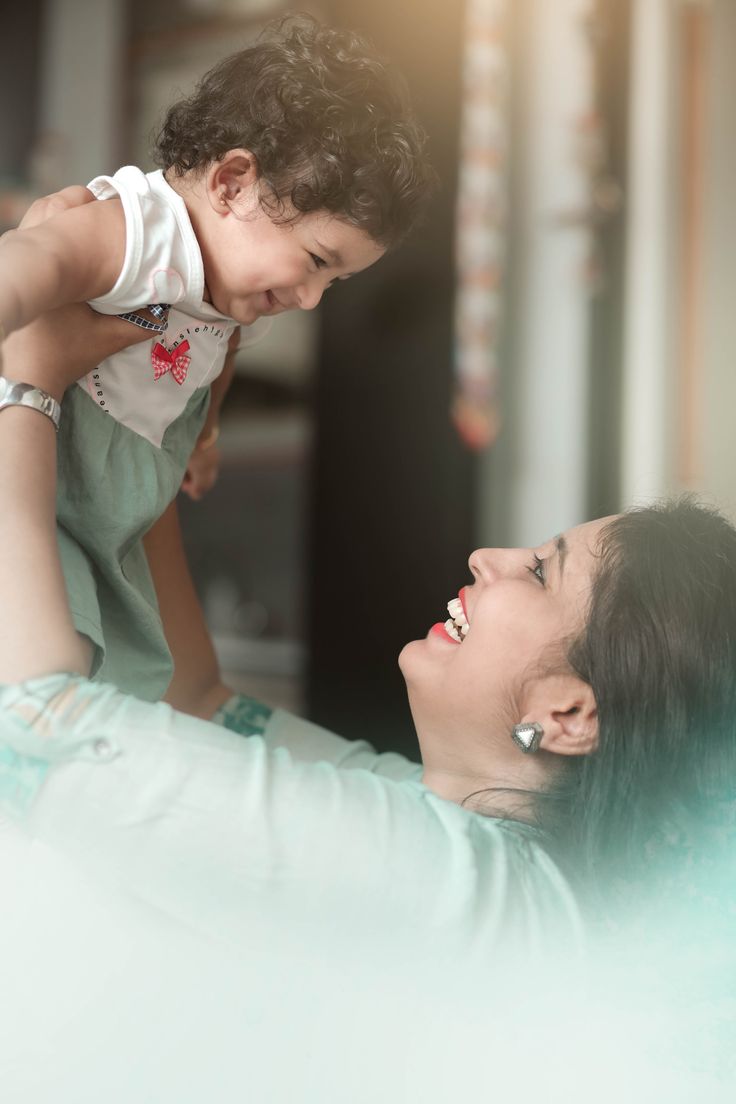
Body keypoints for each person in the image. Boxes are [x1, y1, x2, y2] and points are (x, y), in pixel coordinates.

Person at [2, 302, 736, 1098]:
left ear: (570, 715)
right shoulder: (452, 828)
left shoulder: (463, 895)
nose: (488, 557)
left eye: (538, 572)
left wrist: (28, 380)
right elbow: (199, 699)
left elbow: (34, 721)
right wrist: (165, 429)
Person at [0, 13, 433, 715]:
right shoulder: (139, 231)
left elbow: (219, 349)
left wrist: (204, 433)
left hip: (123, 499)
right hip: (53, 485)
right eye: (317, 262)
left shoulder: (227, 284)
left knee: (139, 671)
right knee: (58, 679)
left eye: (336, 283)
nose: (312, 298)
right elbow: (35, 260)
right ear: (233, 184)